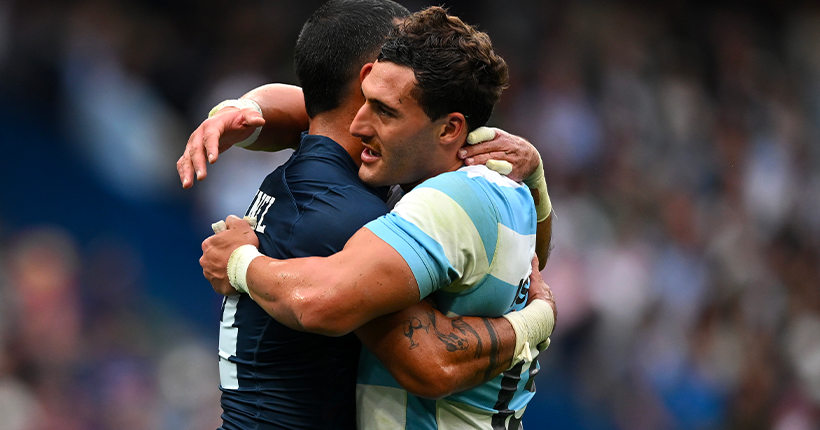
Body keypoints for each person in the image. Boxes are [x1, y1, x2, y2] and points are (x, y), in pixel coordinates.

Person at [187, 2, 555, 429]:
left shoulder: (390, 204)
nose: (364, 121)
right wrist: (238, 109)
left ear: (449, 128)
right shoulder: (504, 186)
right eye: (369, 97)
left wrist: (240, 262)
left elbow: (431, 363)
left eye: (384, 108)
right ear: (363, 77)